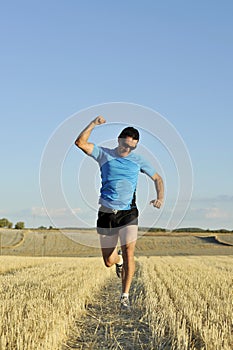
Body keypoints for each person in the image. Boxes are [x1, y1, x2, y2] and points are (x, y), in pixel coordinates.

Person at [75, 116, 164, 311]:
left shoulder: (138, 160)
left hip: (128, 213)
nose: (127, 150)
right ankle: (119, 260)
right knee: (108, 261)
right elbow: (80, 143)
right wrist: (93, 124)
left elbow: (158, 178)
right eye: (125, 145)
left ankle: (125, 297)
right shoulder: (103, 154)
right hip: (106, 212)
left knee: (130, 251)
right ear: (119, 141)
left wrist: (160, 198)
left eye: (132, 148)